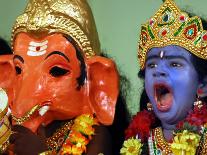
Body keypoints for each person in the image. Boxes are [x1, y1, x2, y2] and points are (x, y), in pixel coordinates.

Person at [0, 0, 120, 154]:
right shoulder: (10, 132)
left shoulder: (96, 135)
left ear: (96, 80)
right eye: (18, 70)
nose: (30, 90)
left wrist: (40, 153)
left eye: (56, 71)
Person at [121, 0, 207, 154]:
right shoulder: (138, 141)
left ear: (203, 85)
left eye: (175, 64)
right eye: (152, 65)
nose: (159, 71)